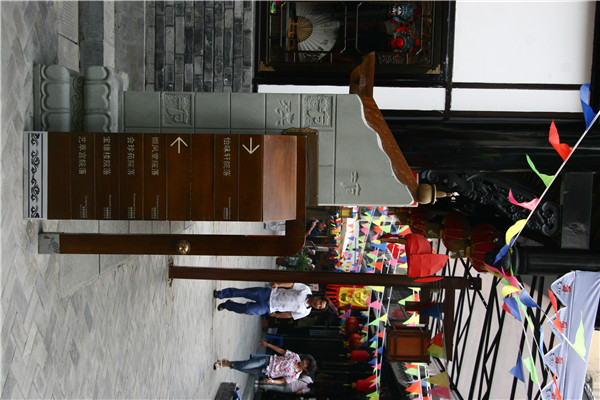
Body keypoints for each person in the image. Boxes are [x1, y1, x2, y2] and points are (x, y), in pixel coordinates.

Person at [214, 341, 316, 386]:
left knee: (245, 369)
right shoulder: (295, 357)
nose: (304, 362)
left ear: (306, 369)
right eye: (306, 361)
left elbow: (282, 381)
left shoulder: (295, 376)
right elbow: (282, 351)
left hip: (267, 372)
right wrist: (268, 345)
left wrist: (272, 381)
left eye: (307, 364)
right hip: (268, 361)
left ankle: (228, 363)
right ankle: (225, 364)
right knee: (246, 365)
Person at [215, 282, 327, 319]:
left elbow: (290, 315)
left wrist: (277, 315)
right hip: (269, 293)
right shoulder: (306, 290)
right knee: (244, 292)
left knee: (248, 310)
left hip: (270, 307)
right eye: (320, 303)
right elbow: (291, 285)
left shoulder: (305, 312)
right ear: (318, 298)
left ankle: (228, 305)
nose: (318, 305)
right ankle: (221, 294)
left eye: (319, 307)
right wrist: (278, 284)